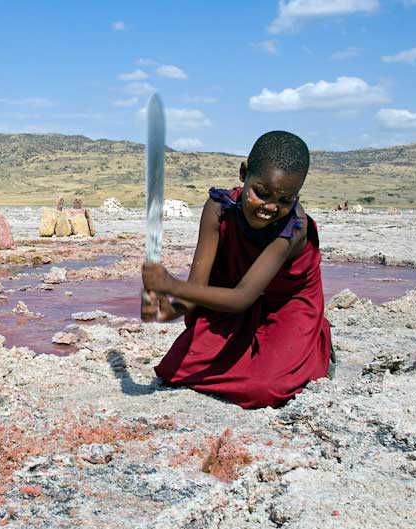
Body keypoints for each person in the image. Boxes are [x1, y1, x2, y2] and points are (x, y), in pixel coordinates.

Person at [141, 131, 331, 409]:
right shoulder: (218, 208)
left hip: (285, 306)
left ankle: (316, 344)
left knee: (264, 390)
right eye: (261, 193)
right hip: (233, 302)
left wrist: (170, 284)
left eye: (285, 200)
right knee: (175, 371)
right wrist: (168, 310)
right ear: (244, 174)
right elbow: (197, 288)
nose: (270, 207)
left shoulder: (294, 229)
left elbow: (243, 297)